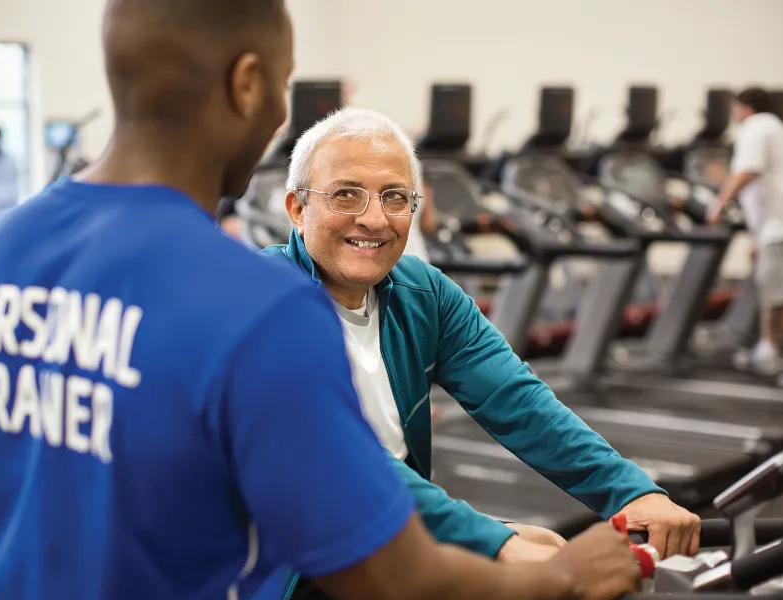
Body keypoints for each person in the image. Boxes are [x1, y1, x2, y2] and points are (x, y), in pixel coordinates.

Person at [0, 1, 643, 599]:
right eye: (287, 84)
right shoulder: (255, 307)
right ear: (249, 83)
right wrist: (560, 579)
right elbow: (391, 575)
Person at [261, 107, 702, 596]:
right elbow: (339, 462)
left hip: (380, 541)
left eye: (395, 197)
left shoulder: (422, 292)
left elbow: (518, 401)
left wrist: (630, 492)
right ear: (298, 209)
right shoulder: (261, 302)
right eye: (346, 194)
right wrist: (496, 542)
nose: (374, 218)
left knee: (551, 552)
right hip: (283, 564)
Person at [707, 87, 783, 388]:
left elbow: (747, 172)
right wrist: (758, 238)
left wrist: (719, 204)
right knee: (775, 287)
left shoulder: (755, 128)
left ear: (744, 108)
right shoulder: (782, 131)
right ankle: (766, 352)